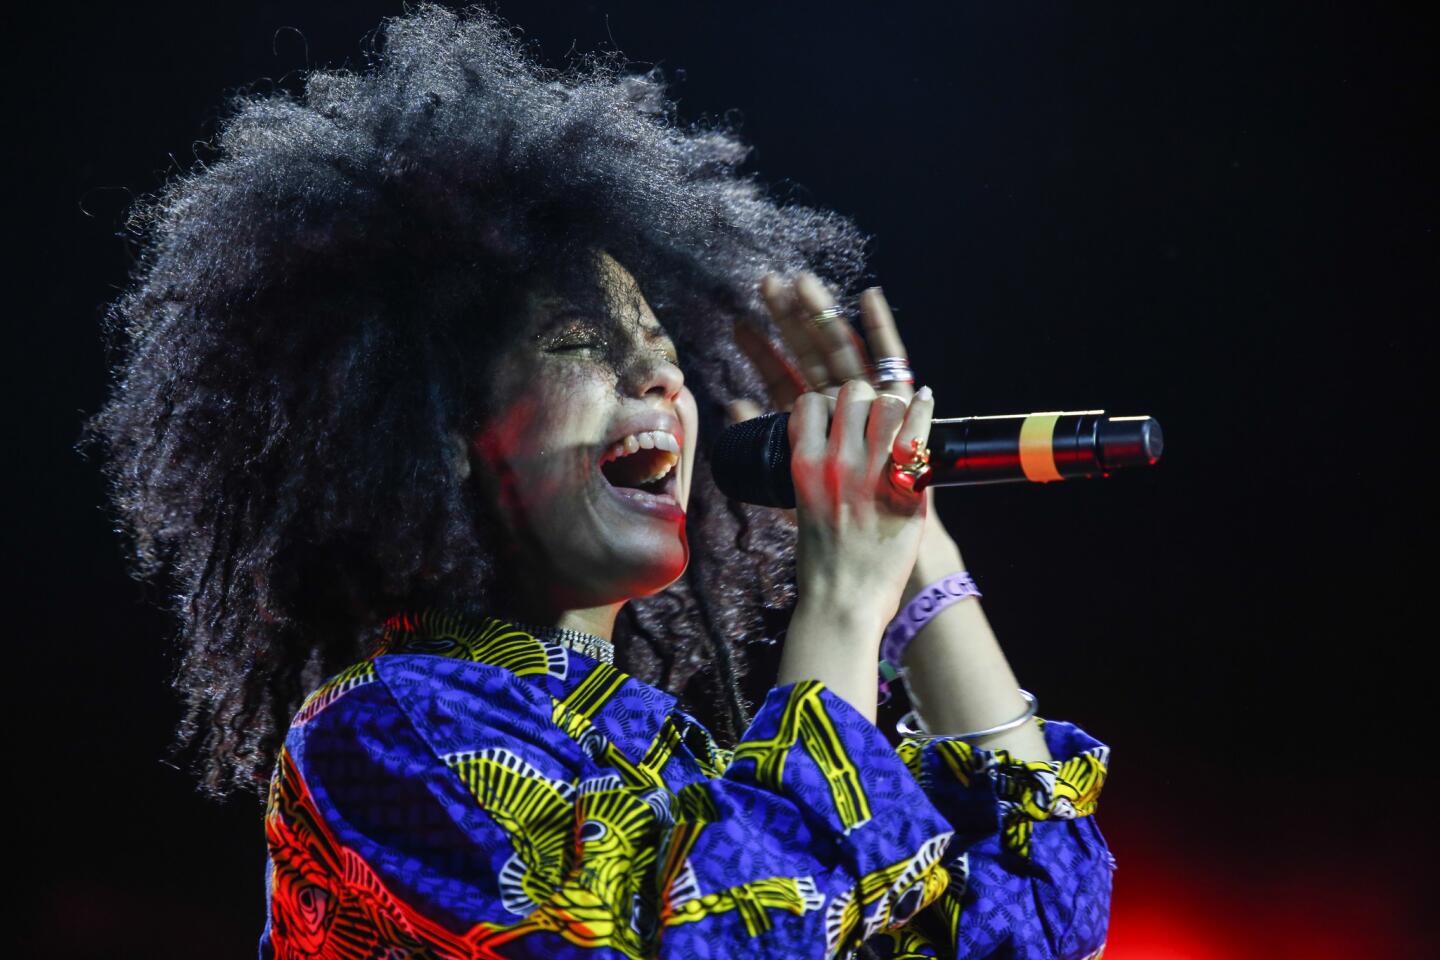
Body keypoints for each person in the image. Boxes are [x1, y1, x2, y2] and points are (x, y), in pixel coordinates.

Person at [82, 5, 1113, 957]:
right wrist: (840, 602)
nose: (660, 375)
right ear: (445, 434)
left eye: (664, 347)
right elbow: (736, 934)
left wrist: (916, 541)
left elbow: (1042, 920)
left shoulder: (688, 774)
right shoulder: (378, 737)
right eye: (584, 343)